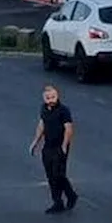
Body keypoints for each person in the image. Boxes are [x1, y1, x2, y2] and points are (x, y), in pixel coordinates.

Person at [28, 84, 79, 214]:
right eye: (48, 97)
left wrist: (64, 145)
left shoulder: (63, 110)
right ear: (44, 99)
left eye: (53, 97)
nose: (51, 100)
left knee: (59, 174)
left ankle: (71, 195)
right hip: (48, 146)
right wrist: (35, 142)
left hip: (59, 146)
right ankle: (57, 202)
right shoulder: (44, 109)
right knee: (50, 175)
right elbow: (41, 125)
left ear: (57, 96)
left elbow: (69, 128)